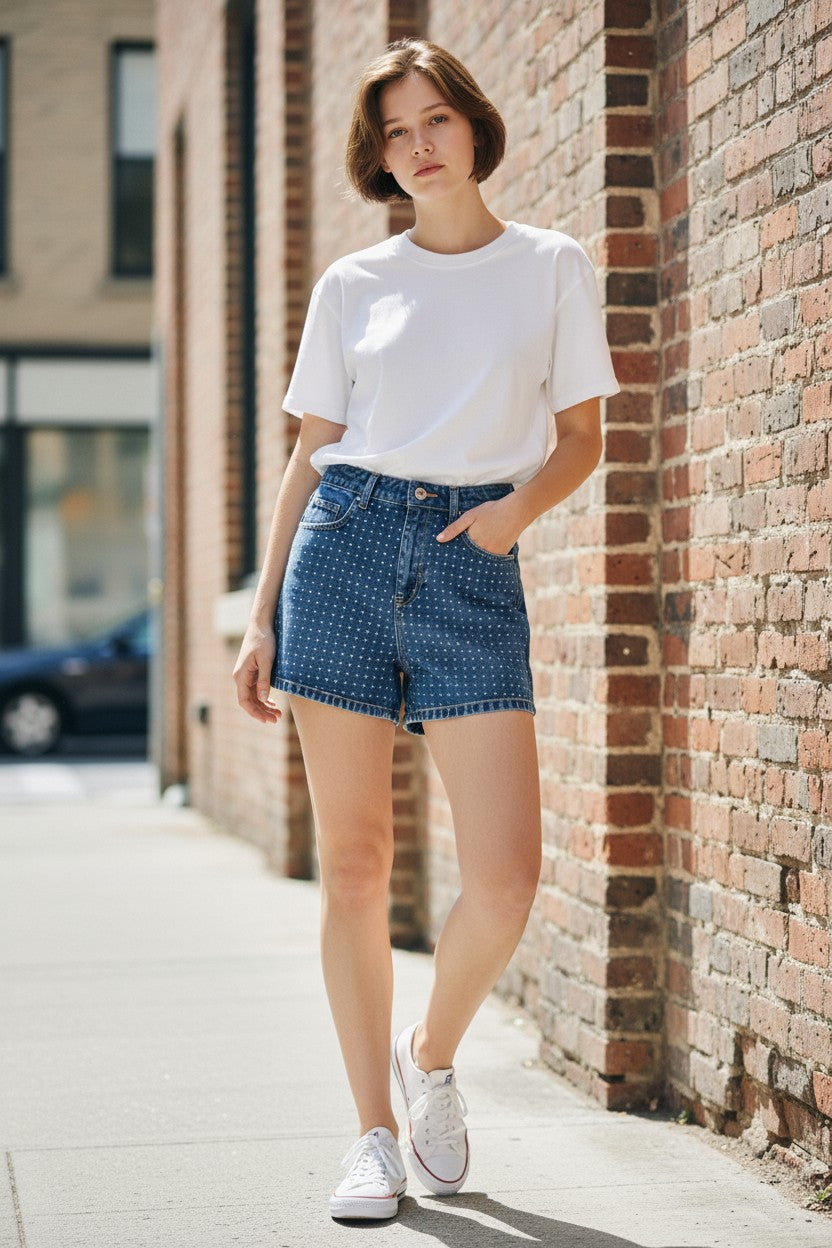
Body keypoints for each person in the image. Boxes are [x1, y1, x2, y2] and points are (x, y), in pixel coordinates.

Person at [233, 36, 619, 1222]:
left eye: (436, 118)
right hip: (343, 549)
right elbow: (307, 455)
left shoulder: (550, 265)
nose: (418, 145)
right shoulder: (354, 285)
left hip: (467, 562)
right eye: (395, 131)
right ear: (378, 155)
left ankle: (431, 1054)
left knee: (504, 877)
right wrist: (259, 617)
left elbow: (581, 438)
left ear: (474, 124)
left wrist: (507, 520)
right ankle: (370, 1136)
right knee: (354, 865)